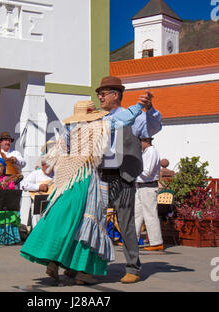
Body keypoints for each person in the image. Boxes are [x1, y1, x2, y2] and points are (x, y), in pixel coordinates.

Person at [20, 99, 145, 285]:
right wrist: (139, 106)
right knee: (89, 222)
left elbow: (53, 156)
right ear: (92, 115)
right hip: (87, 179)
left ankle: (55, 261)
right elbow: (124, 119)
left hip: (66, 181)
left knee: (63, 220)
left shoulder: (68, 131)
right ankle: (82, 271)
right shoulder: (97, 128)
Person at [97, 75, 163, 284]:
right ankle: (92, 266)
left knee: (126, 224)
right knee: (95, 222)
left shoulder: (133, 116)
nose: (99, 97)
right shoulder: (100, 119)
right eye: (99, 93)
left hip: (123, 176)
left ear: (115, 95)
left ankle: (133, 267)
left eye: (103, 93)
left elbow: (153, 128)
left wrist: (150, 108)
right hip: (101, 176)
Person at [134, 137, 163, 251]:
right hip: (140, 186)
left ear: (145, 141)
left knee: (150, 215)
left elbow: (147, 172)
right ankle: (132, 240)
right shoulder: (145, 153)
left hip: (148, 186)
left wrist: (134, 171)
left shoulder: (152, 152)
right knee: (136, 214)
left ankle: (156, 242)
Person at [20, 159, 54, 229]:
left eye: (50, 166)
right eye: (46, 166)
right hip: (38, 202)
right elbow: (24, 185)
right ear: (42, 166)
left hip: (51, 201)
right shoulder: (36, 173)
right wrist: (38, 187)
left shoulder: (55, 175)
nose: (48, 168)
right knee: (37, 222)